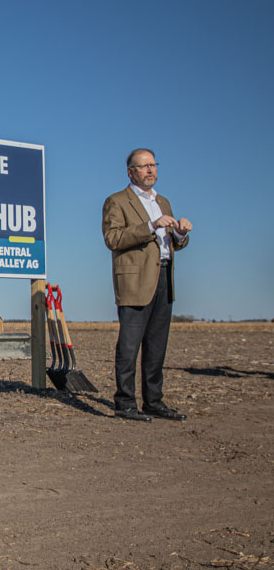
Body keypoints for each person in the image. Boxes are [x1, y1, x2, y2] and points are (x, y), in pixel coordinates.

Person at [102, 148, 192, 422]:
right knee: (129, 346)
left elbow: (172, 244)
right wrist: (151, 225)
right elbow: (113, 238)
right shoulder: (116, 201)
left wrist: (180, 233)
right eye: (144, 166)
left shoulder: (163, 201)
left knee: (156, 345)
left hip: (164, 277)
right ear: (131, 172)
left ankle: (153, 401)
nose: (150, 170)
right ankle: (125, 403)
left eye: (153, 165)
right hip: (134, 281)